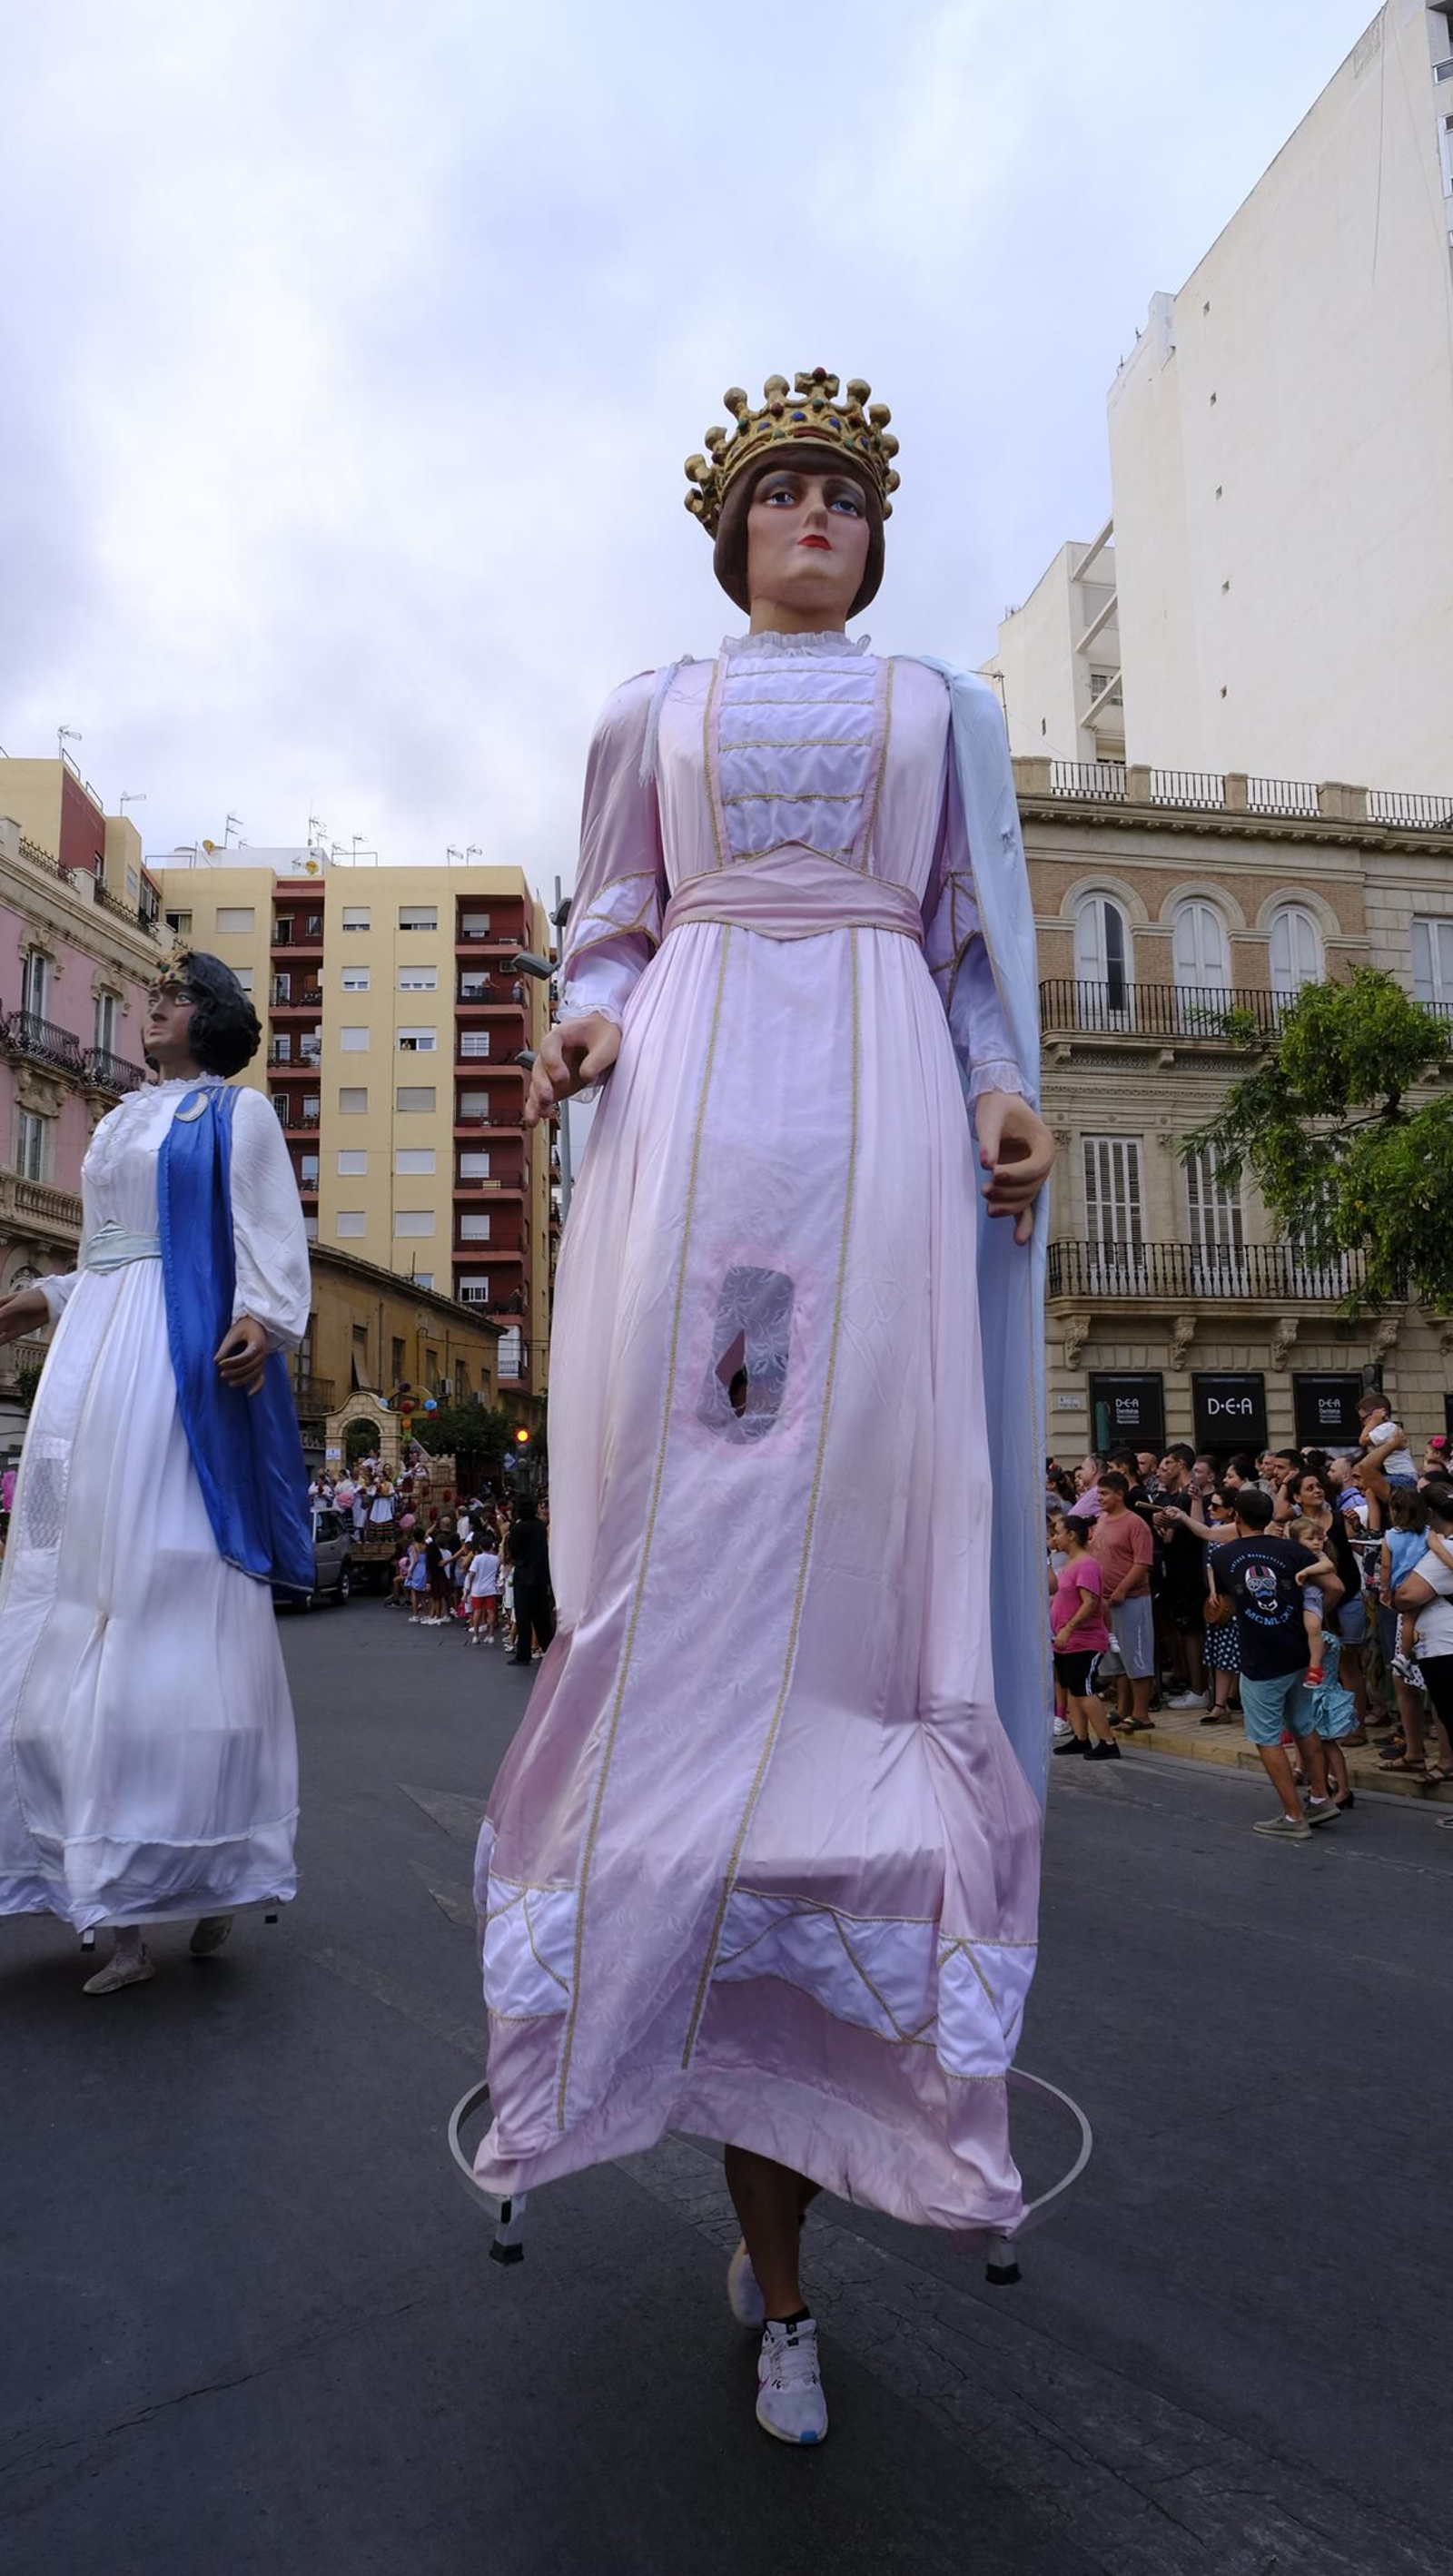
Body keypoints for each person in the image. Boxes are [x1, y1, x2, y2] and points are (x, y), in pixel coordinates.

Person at [469, 366, 1056, 2447]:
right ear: (731, 539)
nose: (809, 515)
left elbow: (974, 951)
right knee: (688, 1489)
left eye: (838, 495)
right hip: (700, 1119)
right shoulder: (649, 711)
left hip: (885, 1109)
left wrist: (997, 1090)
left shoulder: (931, 719)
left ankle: (812, 2178)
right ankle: (659, 1885)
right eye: (778, 493)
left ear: (873, 537)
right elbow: (612, 924)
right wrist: (585, 1032)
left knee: (872, 1490)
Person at [0, 955, 311, 1989]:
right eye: (156, 996)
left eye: (176, 997)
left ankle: (197, 1870)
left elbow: (269, 1239)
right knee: (62, 1587)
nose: (156, 1007)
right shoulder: (120, 1118)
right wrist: (43, 1297)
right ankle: (101, 1879)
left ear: (212, 1021)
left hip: (175, 1366)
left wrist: (264, 1319)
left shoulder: (238, 1116)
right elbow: (107, 1255)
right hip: (92, 1364)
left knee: (164, 1586)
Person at [1206, 1488, 1341, 1840]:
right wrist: (1310, 1616)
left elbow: (1224, 1605)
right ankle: (1320, 1798)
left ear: (1236, 1517)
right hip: (1298, 1651)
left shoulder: (1223, 1556)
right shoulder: (1294, 1550)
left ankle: (1294, 1817)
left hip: (1261, 1657)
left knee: (1267, 1738)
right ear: (1269, 1518)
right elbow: (1337, 1587)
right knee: (1303, 1725)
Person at [1390, 1484, 1453, 1782]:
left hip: (1444, 1649)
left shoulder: (1445, 1547)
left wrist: (1396, 1597)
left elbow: (1405, 1595)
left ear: (1430, 1513)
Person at [1047, 1513, 1119, 1759]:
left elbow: (1090, 1602)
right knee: (1071, 1690)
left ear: (1071, 1535)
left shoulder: (1086, 1565)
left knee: (1083, 1690)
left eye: (1057, 1532)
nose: (1054, 1537)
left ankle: (1108, 1742)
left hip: (1083, 1641)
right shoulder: (1069, 1563)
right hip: (1065, 1643)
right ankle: (1080, 1738)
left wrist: (1068, 1628)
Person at [1087, 1472, 1155, 1729]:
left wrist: (1122, 1589)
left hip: (1132, 1600)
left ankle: (1142, 1714)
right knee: (1116, 1659)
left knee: (1136, 1655)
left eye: (1104, 1493)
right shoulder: (1102, 1520)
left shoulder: (1135, 1523)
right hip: (1104, 1601)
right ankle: (1123, 1708)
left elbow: (1142, 1562)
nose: (1100, 1498)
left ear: (1119, 1494)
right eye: (1099, 1493)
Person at [504, 1495, 553, 1664]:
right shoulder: (540, 1526)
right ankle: (549, 1648)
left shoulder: (518, 1529)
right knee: (541, 1616)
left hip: (524, 1575)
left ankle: (523, 1654)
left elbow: (514, 1552)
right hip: (540, 1575)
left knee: (524, 1617)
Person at [1355, 1392, 1417, 1488]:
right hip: (1402, 1475)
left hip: (1402, 1477)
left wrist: (1374, 1421)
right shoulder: (1388, 1428)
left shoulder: (1385, 1428)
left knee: (1369, 1484)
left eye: (1364, 1418)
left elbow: (1362, 1440)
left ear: (1379, 1413)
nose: (1363, 1423)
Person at [466, 1535, 501, 1643]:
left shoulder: (477, 1558)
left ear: (480, 1547)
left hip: (477, 1589)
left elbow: (472, 1573)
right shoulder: (496, 1559)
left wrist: (469, 1587)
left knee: (477, 1611)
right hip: (490, 1589)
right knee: (491, 1612)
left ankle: (476, 1635)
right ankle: (490, 1635)